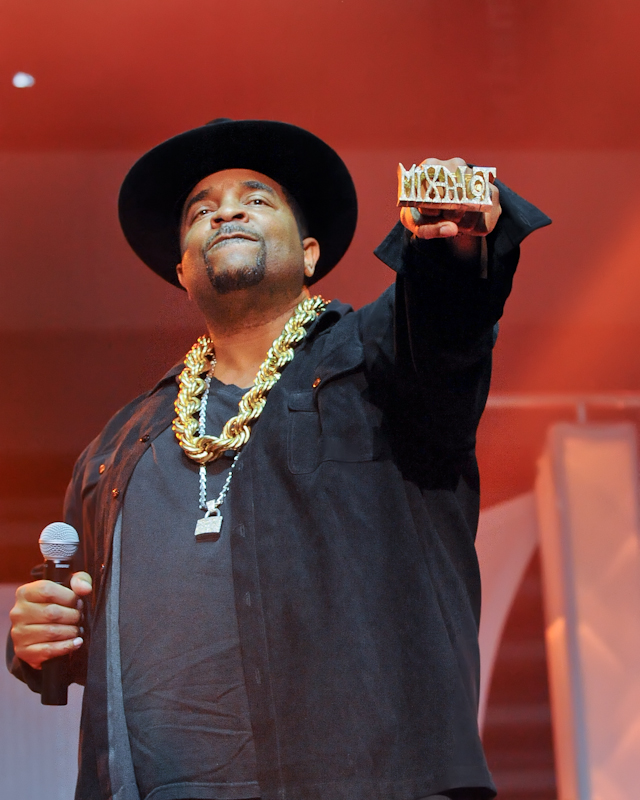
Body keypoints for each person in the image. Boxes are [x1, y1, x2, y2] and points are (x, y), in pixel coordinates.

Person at [7, 118, 550, 800]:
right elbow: (99, 635)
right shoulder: (116, 450)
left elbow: (445, 318)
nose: (226, 210)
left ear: (312, 253)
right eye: (201, 211)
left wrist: (449, 243)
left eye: (256, 200)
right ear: (182, 270)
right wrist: (42, 637)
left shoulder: (380, 366)